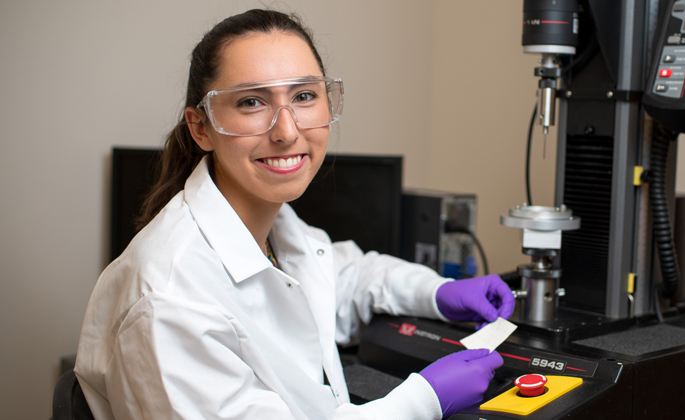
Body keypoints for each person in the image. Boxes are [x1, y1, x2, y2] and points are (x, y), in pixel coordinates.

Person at [74, 9, 514, 420]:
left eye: (304, 95)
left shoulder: (270, 224)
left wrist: (438, 292)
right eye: (251, 102)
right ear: (201, 127)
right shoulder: (170, 301)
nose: (287, 131)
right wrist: (424, 399)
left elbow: (341, 276)